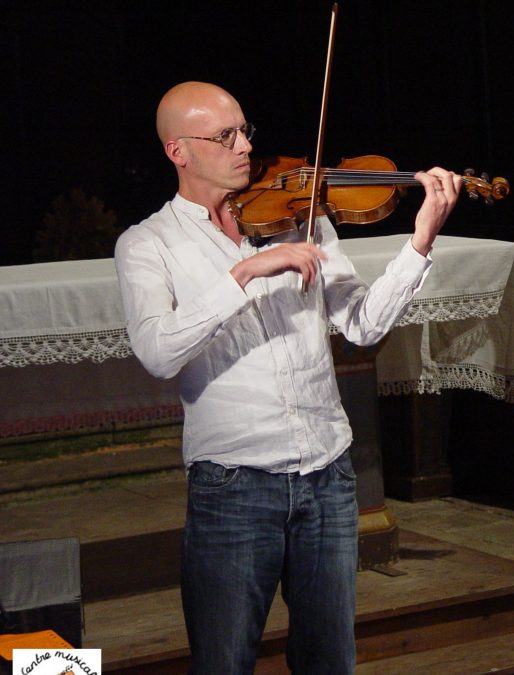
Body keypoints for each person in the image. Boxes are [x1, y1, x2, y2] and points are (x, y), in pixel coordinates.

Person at [114, 81, 459, 674]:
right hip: (233, 485)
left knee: (330, 661)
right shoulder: (148, 244)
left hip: (328, 474)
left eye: (246, 130)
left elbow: (364, 324)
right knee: (224, 661)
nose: (245, 145)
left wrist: (421, 239)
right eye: (225, 136)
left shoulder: (305, 217)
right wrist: (245, 272)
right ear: (179, 151)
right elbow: (157, 351)